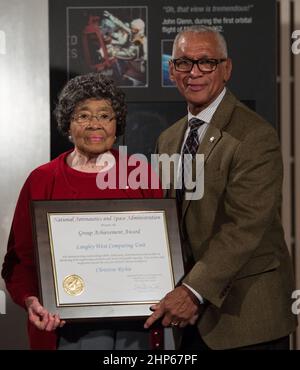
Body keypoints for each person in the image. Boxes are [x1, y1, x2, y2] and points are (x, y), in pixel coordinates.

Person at [144, 25, 297, 350]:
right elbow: (167, 219)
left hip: (246, 320)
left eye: (206, 62)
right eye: (183, 63)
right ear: (171, 70)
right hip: (188, 319)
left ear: (225, 69)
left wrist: (191, 291)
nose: (194, 72)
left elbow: (244, 227)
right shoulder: (169, 138)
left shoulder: (254, 135)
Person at [1, 72, 162, 350]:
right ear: (68, 124)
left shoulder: (141, 176)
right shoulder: (42, 179)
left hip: (134, 326)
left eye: (105, 115)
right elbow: (19, 260)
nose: (94, 125)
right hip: (62, 327)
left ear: (117, 123)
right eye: (83, 116)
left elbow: (164, 252)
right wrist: (31, 300)